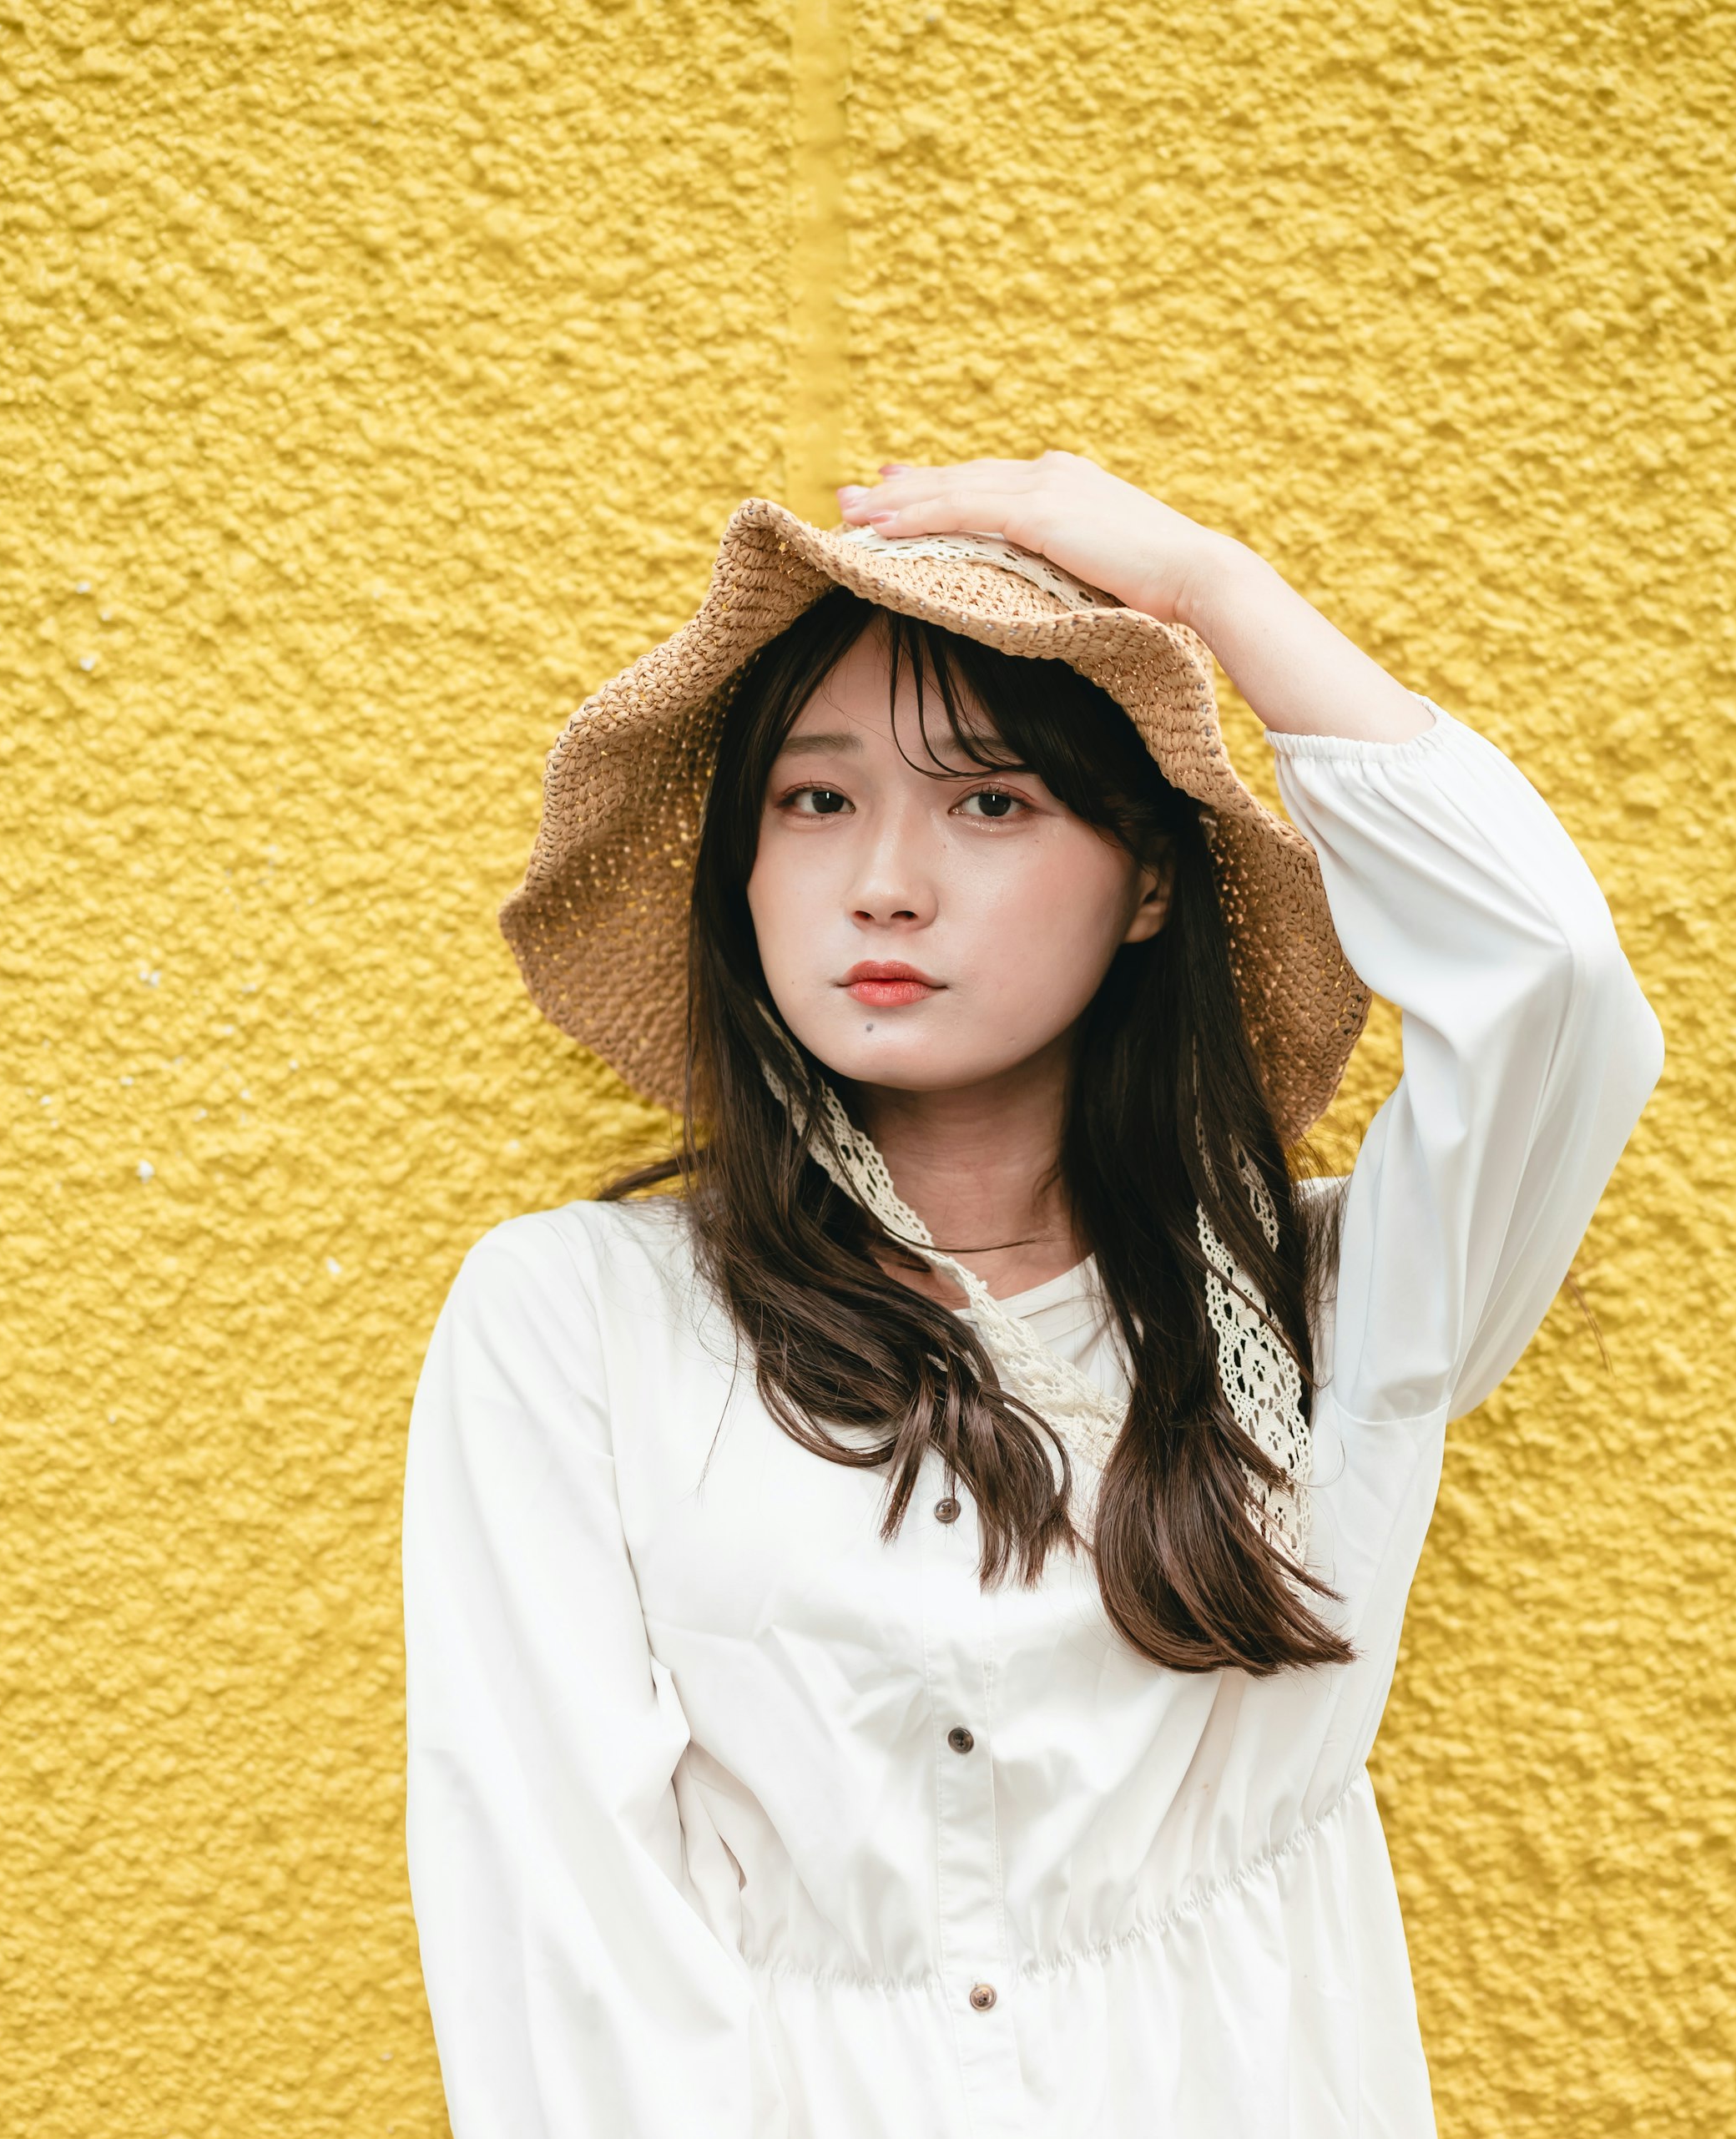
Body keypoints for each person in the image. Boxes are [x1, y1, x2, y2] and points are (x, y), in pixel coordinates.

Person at [402, 453, 1663, 2138]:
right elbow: (563, 1936)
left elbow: (1551, 984)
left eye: (989, 800)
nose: (885, 883)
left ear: (1149, 879)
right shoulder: (577, 1321)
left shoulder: (1334, 1311)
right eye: (814, 799)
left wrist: (1215, 591)